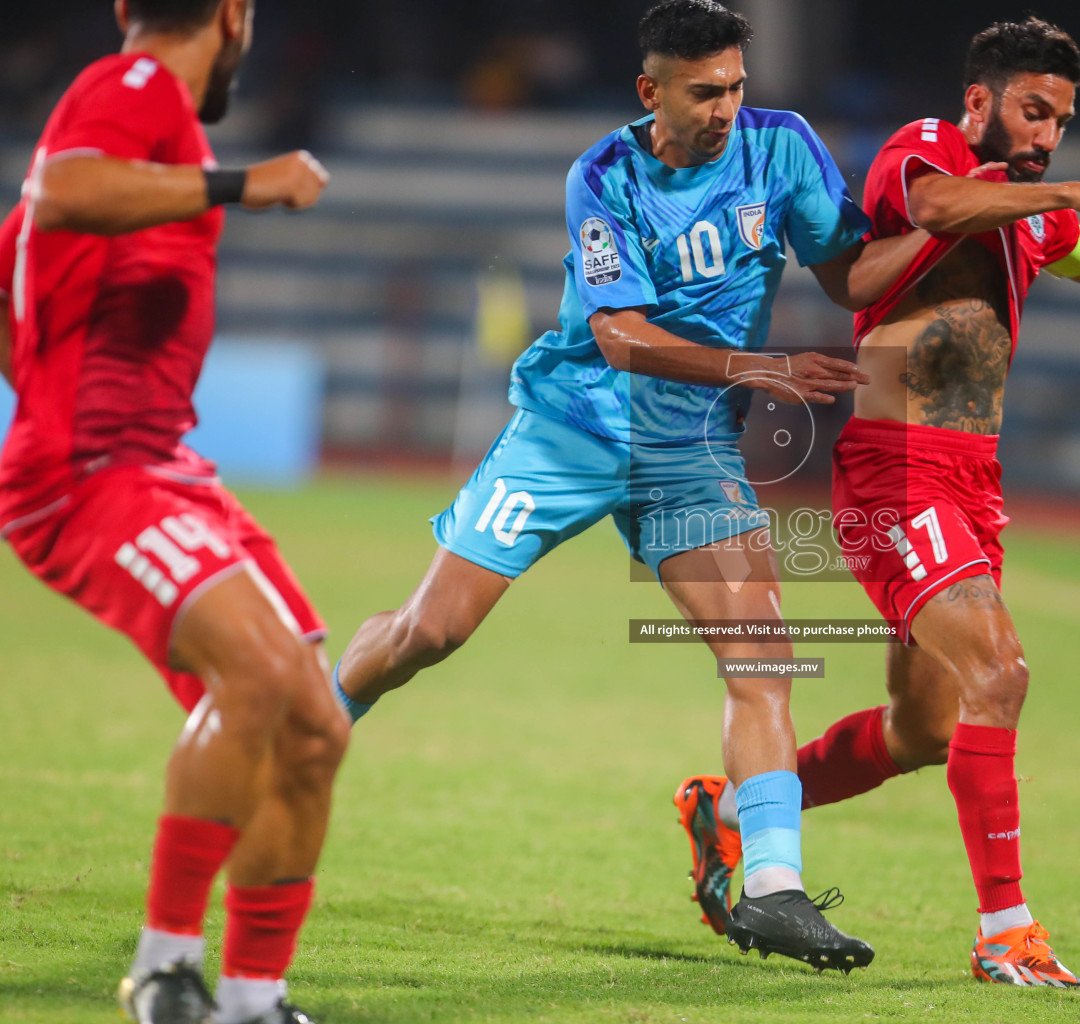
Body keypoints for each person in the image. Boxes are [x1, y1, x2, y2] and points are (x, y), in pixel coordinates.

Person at [329, 0, 926, 972]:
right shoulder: (604, 175)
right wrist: (760, 369)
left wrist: (953, 228)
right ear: (652, 91)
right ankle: (317, 715)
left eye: (737, 85)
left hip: (688, 446)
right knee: (428, 632)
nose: (728, 107)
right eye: (705, 91)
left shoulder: (782, 150)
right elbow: (620, 336)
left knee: (762, 651)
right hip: (570, 428)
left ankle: (773, 885)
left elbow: (849, 276)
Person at [674, 16, 1080, 989]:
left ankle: (727, 810)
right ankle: (1007, 935)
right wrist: (1075, 188)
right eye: (1034, 111)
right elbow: (939, 208)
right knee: (1003, 672)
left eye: (1064, 123)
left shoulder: (1032, 212)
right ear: (981, 98)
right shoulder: (929, 152)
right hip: (896, 467)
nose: (1046, 135)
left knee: (925, 732)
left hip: (971, 480)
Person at [0, 1, 339, 1022]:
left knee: (313, 724)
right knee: (263, 671)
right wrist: (254, 181)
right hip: (92, 472)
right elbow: (58, 190)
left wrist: (37, 359)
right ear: (234, 15)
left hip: (161, 466)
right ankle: (163, 967)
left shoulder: (158, 137)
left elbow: (23, 234)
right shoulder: (135, 87)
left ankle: (250, 998)